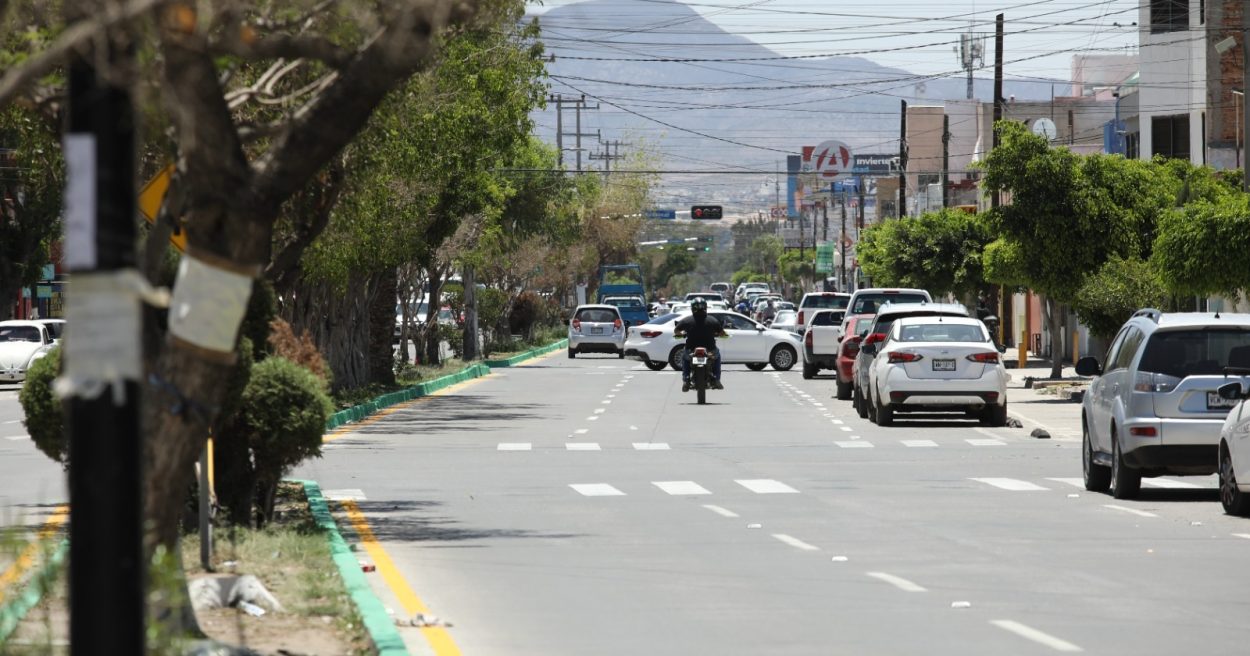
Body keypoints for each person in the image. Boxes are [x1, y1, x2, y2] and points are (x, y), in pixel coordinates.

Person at [673, 298, 727, 392]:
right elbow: (722, 333)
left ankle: (686, 379)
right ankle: (717, 379)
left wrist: (681, 334)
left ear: (692, 308)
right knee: (717, 356)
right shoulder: (712, 320)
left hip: (691, 350)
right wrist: (718, 334)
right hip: (710, 350)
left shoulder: (687, 320)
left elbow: (676, 330)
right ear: (705, 307)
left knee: (685, 358)